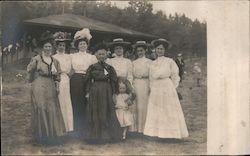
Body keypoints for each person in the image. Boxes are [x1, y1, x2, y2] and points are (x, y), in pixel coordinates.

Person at [143, 38, 189, 139]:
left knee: (168, 109)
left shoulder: (170, 61)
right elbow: (151, 78)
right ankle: (157, 133)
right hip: (156, 88)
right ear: (155, 50)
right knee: (157, 108)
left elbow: (175, 75)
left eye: (162, 49)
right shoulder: (152, 63)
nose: (160, 51)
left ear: (165, 50)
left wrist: (172, 87)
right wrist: (152, 88)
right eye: (158, 49)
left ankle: (171, 134)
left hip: (167, 86)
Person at [26, 31, 65, 144]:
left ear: (52, 48)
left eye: (49, 46)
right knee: (41, 107)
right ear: (42, 47)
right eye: (46, 46)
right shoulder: (37, 59)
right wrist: (31, 83)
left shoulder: (55, 61)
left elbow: (58, 75)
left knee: (51, 107)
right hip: (39, 85)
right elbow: (29, 70)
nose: (48, 48)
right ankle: (41, 135)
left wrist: (57, 86)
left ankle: (52, 134)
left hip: (51, 86)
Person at [84, 43, 122, 144]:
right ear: (96, 55)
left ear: (106, 55)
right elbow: (87, 80)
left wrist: (114, 93)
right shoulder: (92, 67)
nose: (101, 56)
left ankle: (108, 136)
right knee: (95, 111)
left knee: (106, 110)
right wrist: (87, 92)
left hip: (107, 90)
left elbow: (114, 81)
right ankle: (94, 136)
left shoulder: (110, 68)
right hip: (95, 90)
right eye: (99, 54)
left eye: (103, 54)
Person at [70, 28, 97, 135]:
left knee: (87, 102)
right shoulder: (72, 56)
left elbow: (94, 70)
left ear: (87, 45)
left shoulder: (92, 57)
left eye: (84, 44)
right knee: (76, 102)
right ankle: (76, 127)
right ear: (77, 45)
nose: (82, 46)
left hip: (87, 79)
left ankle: (86, 127)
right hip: (76, 80)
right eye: (80, 44)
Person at [106, 38, 137, 132]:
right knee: (115, 103)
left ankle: (126, 128)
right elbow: (107, 73)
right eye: (117, 48)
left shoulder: (128, 61)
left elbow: (130, 75)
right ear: (114, 50)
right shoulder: (110, 61)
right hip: (114, 83)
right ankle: (114, 128)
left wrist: (129, 86)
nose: (119, 50)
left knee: (125, 104)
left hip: (124, 83)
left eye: (120, 48)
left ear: (123, 50)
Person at [53, 32, 74, 133]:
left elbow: (71, 69)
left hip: (66, 79)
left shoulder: (68, 57)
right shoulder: (54, 57)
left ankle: (68, 126)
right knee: (58, 100)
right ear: (56, 46)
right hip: (57, 79)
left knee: (66, 100)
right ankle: (58, 127)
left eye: (63, 45)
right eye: (60, 45)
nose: (61, 47)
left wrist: (67, 74)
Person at [132, 41, 152, 133]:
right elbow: (131, 75)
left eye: (142, 50)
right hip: (136, 84)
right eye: (138, 51)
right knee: (137, 105)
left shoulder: (150, 62)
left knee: (145, 105)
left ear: (145, 51)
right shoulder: (133, 62)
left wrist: (150, 86)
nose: (140, 52)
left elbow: (152, 75)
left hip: (146, 83)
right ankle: (137, 129)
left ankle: (145, 129)